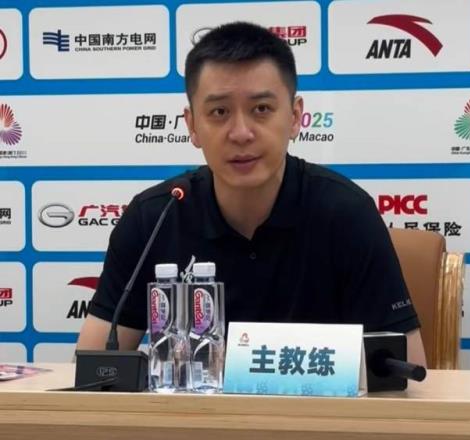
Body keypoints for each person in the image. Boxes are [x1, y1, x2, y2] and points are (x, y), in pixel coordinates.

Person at [77, 22, 426, 366]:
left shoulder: (347, 213)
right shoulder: (154, 217)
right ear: (192, 125)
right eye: (219, 112)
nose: (241, 133)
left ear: (295, 117)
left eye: (261, 109)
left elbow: (405, 372)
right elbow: (95, 368)